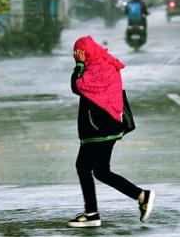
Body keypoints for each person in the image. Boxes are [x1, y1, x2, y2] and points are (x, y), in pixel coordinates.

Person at [68, 35, 155, 228]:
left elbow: (77, 86)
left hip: (98, 129)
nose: (76, 55)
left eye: (78, 52)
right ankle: (142, 196)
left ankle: (91, 214)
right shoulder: (106, 62)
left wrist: (79, 65)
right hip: (110, 127)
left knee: (83, 166)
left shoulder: (95, 68)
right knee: (100, 171)